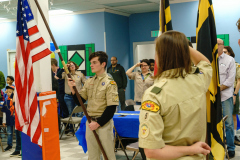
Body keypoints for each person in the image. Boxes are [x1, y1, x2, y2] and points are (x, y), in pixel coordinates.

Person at [139, 31, 212, 160]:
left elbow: (152, 152)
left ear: (160, 56)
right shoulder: (198, 80)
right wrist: (181, 45)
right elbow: (204, 63)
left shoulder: (154, 95)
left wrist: (190, 149)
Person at [68, 51, 119, 160]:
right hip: (90, 123)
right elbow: (80, 101)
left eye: (94, 62)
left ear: (103, 64)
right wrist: (73, 89)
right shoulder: (89, 81)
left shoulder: (110, 83)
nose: (91, 65)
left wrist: (98, 123)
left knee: (108, 156)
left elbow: (111, 108)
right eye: (91, 62)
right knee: (92, 157)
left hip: (103, 124)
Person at [57, 61, 86, 136]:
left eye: (73, 65)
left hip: (78, 95)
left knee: (80, 113)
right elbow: (58, 76)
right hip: (69, 96)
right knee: (71, 113)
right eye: (70, 66)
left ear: (75, 66)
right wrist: (64, 68)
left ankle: (80, 130)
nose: (72, 66)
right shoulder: (66, 74)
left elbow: (85, 83)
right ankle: (72, 130)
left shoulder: (80, 74)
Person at [218, 38, 236, 158]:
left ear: (222, 45)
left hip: (225, 96)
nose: (216, 46)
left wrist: (216, 90)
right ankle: (217, 146)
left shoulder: (230, 60)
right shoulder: (208, 60)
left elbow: (230, 80)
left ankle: (230, 148)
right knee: (213, 123)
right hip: (210, 98)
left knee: (228, 123)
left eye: (218, 44)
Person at [223, 46, 240, 146]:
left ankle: (233, 136)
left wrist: (234, 95)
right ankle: (225, 136)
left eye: (225, 52)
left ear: (230, 52)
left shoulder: (236, 64)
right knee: (224, 116)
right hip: (223, 92)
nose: (224, 54)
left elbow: (239, 81)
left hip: (232, 91)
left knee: (233, 115)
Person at [2, 86, 22, 157]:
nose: (8, 93)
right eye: (7, 92)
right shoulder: (8, 101)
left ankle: (22, 150)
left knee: (20, 135)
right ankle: (17, 150)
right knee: (17, 135)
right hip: (14, 119)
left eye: (11, 92)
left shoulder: (19, 99)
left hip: (20, 119)